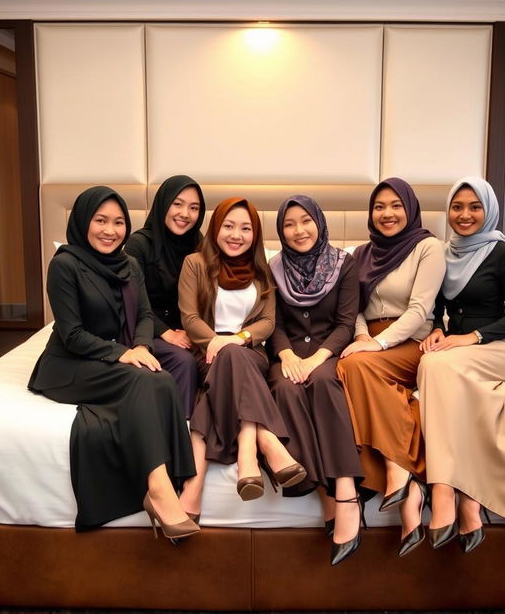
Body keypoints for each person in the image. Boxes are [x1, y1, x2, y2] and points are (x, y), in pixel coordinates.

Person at [28, 185, 199, 543]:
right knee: (141, 381)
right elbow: (71, 334)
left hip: (116, 355)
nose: (111, 230)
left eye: (119, 222)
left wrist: (140, 346)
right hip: (69, 364)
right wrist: (124, 354)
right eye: (101, 220)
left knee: (162, 379)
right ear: (82, 222)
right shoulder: (64, 265)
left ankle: (174, 481)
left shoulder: (130, 264)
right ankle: (157, 487)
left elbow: (146, 315)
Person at [418, 176, 505, 552]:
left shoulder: (502, 254)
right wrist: (435, 330)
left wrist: (470, 338)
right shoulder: (443, 253)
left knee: (436, 369)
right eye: (457, 207)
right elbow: (437, 308)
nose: (464, 215)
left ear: (488, 209)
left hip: (503, 347)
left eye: (474, 207)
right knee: (431, 363)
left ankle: (442, 488)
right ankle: (467, 499)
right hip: (459, 351)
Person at [336, 177, 446, 557]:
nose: (387, 214)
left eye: (396, 205)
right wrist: (363, 339)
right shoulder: (359, 254)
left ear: (411, 208)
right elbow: (353, 311)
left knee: (356, 369)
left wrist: (376, 345)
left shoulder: (429, 247)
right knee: (350, 369)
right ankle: (410, 484)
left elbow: (419, 311)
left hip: (412, 341)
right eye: (379, 206)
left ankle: (400, 466)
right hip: (371, 341)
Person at [177, 197, 306, 519]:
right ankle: (262, 440)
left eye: (246, 228)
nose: (237, 235)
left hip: (252, 354)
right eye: (229, 226)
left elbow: (268, 322)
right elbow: (190, 318)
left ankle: (193, 491)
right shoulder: (194, 263)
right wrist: (217, 342)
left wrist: (239, 338)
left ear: (255, 234)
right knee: (218, 375)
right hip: (205, 353)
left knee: (225, 369)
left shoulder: (263, 270)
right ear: (215, 228)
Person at [266, 195, 366, 566]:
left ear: (320, 222)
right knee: (284, 389)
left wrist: (319, 357)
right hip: (288, 351)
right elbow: (272, 323)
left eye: (305, 221)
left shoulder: (344, 263)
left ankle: (346, 492)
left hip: (329, 349)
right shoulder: (274, 267)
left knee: (324, 383)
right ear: (281, 231)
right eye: (289, 224)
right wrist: (287, 355)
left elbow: (345, 323)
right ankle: (326, 494)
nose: (298, 230)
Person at [125, 175, 206, 417]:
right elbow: (132, 301)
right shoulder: (139, 244)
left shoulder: (199, 244)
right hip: (145, 328)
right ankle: (180, 430)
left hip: (186, 330)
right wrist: (166, 333)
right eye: (177, 204)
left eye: (194, 208)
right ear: (163, 203)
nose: (185, 214)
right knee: (183, 360)